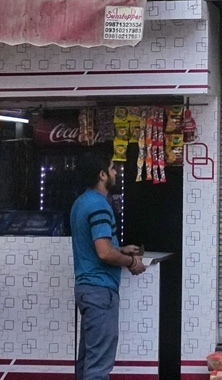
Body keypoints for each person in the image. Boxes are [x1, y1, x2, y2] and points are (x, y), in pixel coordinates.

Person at [71, 151, 147, 380]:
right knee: (99, 366)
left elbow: (93, 245)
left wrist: (120, 249)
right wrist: (132, 262)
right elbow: (104, 253)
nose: (116, 172)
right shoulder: (99, 206)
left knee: (88, 361)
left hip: (87, 290)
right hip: (100, 292)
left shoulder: (81, 202)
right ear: (102, 175)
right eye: (113, 168)